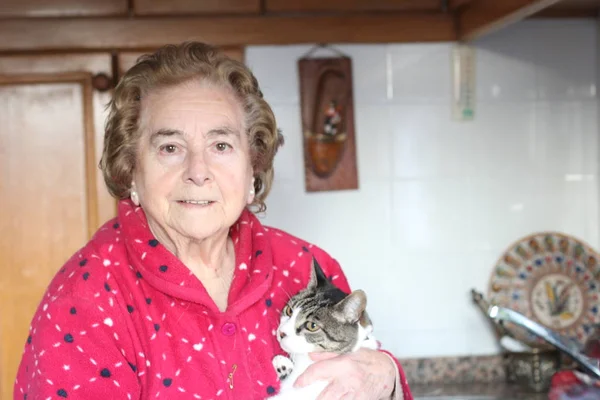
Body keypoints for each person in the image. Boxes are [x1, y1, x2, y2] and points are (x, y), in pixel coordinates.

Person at [13, 42, 413, 400]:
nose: (198, 171)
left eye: (221, 145)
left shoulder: (306, 265)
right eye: (170, 147)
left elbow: (362, 368)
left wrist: (387, 375)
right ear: (131, 170)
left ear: (252, 169)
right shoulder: (85, 300)